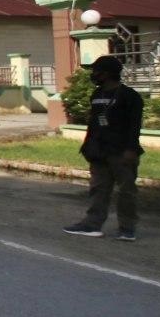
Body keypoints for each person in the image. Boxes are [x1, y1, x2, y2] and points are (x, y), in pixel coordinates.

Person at [63, 55, 144, 241]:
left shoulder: (130, 96)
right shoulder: (97, 95)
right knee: (99, 188)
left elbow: (134, 126)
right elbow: (94, 123)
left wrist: (131, 149)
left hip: (122, 152)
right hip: (99, 151)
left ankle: (127, 228)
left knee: (126, 191)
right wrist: (87, 146)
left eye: (96, 71)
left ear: (107, 73)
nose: (94, 74)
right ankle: (92, 224)